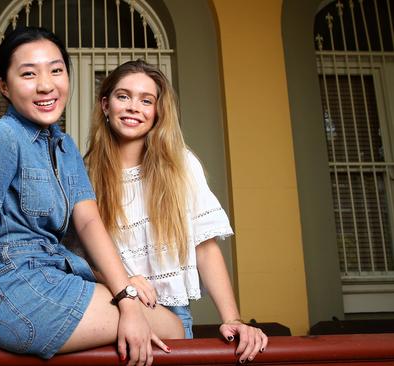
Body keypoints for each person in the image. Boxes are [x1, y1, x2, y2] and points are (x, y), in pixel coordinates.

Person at [0, 27, 183, 366]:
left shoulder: (65, 146)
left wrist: (126, 298)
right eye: (28, 73)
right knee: (170, 328)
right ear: (3, 85)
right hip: (17, 291)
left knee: (163, 325)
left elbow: (88, 222)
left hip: (58, 273)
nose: (46, 85)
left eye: (56, 70)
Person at [83, 59, 269, 363]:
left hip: (170, 316)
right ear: (105, 104)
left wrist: (233, 319)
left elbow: (205, 248)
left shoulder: (180, 164)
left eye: (146, 100)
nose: (133, 107)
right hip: (110, 311)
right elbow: (74, 259)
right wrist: (122, 282)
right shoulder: (84, 172)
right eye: (123, 96)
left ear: (158, 112)